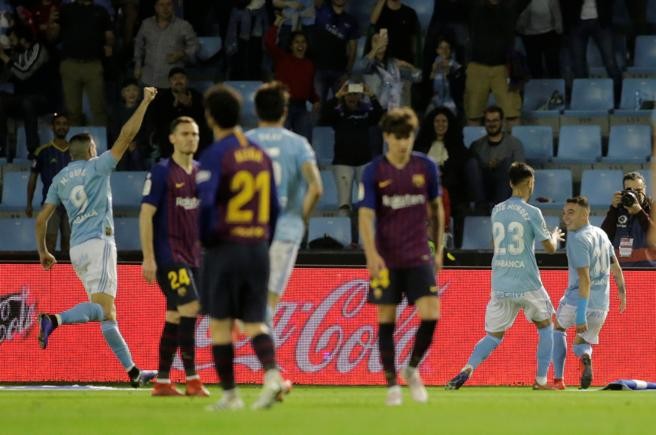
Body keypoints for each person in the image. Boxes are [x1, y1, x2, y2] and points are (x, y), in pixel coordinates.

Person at [35, 86, 158, 388]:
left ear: (70, 154)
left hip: (76, 249)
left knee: (107, 316)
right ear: (91, 150)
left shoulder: (59, 179)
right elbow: (127, 136)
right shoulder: (98, 166)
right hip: (100, 244)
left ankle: (133, 373)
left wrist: (44, 252)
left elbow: (41, 220)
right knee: (103, 309)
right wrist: (145, 102)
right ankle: (54, 320)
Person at [197, 84, 289, 411]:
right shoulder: (260, 154)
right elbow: (275, 207)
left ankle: (230, 396)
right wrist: (264, 240)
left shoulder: (215, 154)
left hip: (226, 248)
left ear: (210, 117)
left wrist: (207, 240)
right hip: (258, 247)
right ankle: (272, 376)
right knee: (254, 322)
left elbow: (206, 205)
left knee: (220, 324)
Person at [446, 162, 564, 390]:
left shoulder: (497, 210)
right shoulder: (533, 212)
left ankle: (468, 367)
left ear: (510, 183)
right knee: (546, 327)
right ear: (530, 183)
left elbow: (495, 243)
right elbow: (550, 248)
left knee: (493, 336)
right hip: (527, 282)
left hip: (500, 282)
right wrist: (555, 236)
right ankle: (541, 381)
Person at [358, 107, 445, 406]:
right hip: (386, 258)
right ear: (386, 137)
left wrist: (439, 250)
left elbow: (437, 210)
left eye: (407, 136)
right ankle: (392, 385)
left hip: (418, 254)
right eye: (397, 137)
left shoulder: (426, 167)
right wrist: (371, 254)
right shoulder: (374, 171)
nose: (403, 142)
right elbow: (365, 215)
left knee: (431, 314)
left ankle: (412, 368)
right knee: (386, 320)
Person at [246, 81, 323, 336]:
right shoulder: (298, 144)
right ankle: (269, 358)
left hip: (250, 231)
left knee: (256, 298)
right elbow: (316, 188)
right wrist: (300, 220)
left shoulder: (244, 142)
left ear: (256, 111)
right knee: (268, 300)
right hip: (285, 231)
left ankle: (263, 355)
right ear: (285, 111)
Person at [140, 116, 209, 397]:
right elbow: (146, 215)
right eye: (184, 133)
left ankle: (162, 381)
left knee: (175, 316)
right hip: (170, 256)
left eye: (194, 134)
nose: (190, 138)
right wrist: (148, 258)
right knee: (191, 307)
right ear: (172, 138)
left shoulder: (202, 173)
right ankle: (192, 379)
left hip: (195, 257)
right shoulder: (161, 172)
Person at [552, 196, 626, 389]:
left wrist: (580, 315)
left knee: (557, 329)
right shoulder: (602, 234)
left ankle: (558, 380)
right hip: (602, 305)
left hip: (578, 302)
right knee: (581, 343)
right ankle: (585, 356)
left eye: (571, 212)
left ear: (585, 213)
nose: (566, 217)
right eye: (564, 213)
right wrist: (622, 292)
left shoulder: (577, 239)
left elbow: (584, 279)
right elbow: (616, 267)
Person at [322, 80, 384, 214]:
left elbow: (379, 113)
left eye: (355, 94)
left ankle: (364, 227)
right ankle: (343, 226)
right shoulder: (337, 112)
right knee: (344, 204)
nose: (352, 97)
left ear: (360, 95)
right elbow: (324, 114)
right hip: (342, 163)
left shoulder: (366, 111)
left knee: (367, 202)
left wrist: (372, 95)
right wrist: (337, 95)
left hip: (364, 162)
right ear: (344, 96)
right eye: (349, 94)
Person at [466, 105, 525, 212]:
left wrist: (500, 165)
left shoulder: (514, 144)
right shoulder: (476, 145)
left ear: (502, 121)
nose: (491, 124)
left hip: (505, 189)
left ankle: (501, 208)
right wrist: (487, 166)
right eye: (488, 121)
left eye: (495, 120)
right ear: (484, 123)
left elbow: (520, 172)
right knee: (472, 163)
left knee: (508, 165)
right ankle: (481, 207)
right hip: (483, 190)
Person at [133, 0, 199, 89]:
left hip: (172, 82)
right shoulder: (146, 24)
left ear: (173, 6)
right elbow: (138, 45)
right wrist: (137, 66)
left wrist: (181, 54)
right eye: (161, 5)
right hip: (148, 79)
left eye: (168, 4)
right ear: (156, 7)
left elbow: (195, 45)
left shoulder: (183, 26)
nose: (165, 8)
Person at [600, 171, 656, 267]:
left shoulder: (653, 208)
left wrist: (640, 212)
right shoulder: (618, 209)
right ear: (624, 191)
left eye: (638, 190)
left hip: (648, 269)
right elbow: (603, 237)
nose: (635, 194)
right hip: (622, 269)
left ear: (645, 189)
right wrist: (613, 209)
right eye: (630, 190)